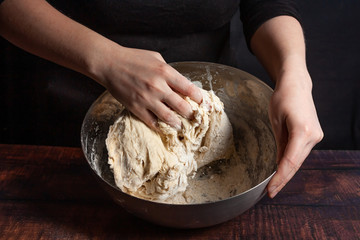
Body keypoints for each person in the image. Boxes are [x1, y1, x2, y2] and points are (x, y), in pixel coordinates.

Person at [0, 0, 323, 198]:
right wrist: (105, 60)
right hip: (60, 114)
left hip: (204, 100)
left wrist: (294, 74)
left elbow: (266, 4)